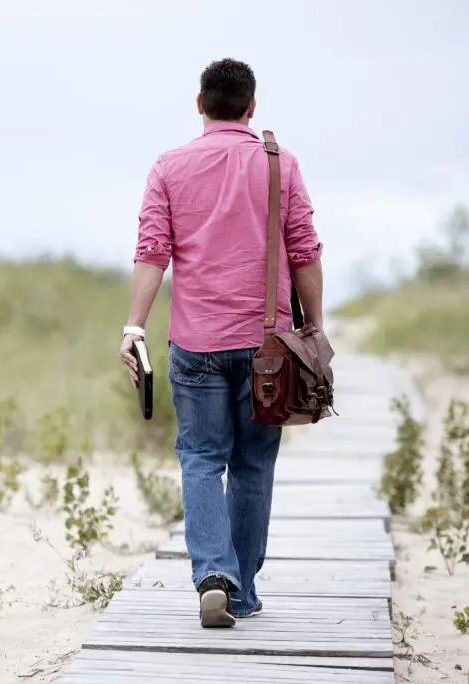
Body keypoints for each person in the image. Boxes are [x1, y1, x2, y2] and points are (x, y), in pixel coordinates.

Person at [118, 58, 324, 628]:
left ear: (200, 104)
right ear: (251, 107)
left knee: (202, 459)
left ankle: (213, 572)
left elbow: (152, 251)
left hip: (197, 341)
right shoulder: (281, 165)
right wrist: (315, 328)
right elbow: (305, 249)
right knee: (254, 464)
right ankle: (242, 593)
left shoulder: (169, 166)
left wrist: (134, 328)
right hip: (269, 344)